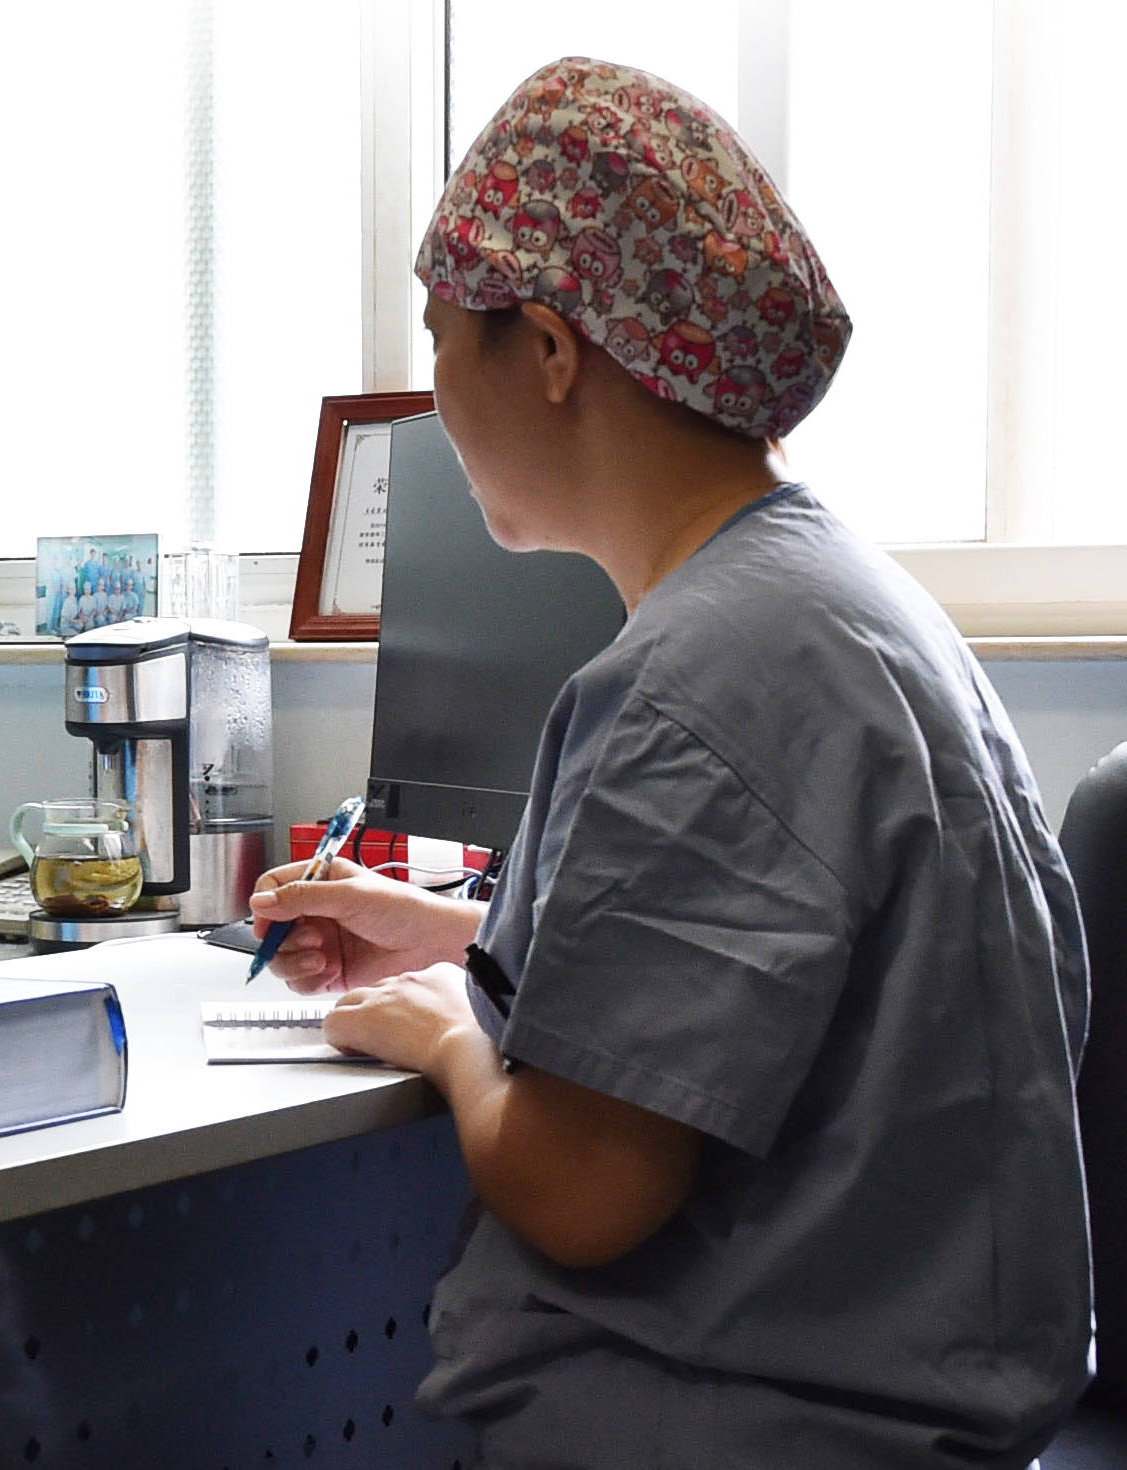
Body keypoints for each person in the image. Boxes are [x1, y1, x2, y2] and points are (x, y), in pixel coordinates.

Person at [251, 57, 1090, 1468]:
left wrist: (456, 1032)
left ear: (555, 349)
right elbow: (794, 978)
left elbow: (583, 1186)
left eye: (445, 335)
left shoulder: (699, 679)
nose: (436, 394)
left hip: (748, 1423)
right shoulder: (839, 607)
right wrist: (454, 932)